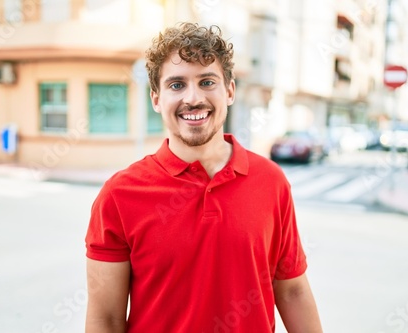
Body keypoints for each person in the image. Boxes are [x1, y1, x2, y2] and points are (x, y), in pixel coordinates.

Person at [85, 22, 323, 333]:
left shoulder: (271, 182)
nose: (193, 98)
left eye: (207, 81)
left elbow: (292, 291)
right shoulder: (119, 195)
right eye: (176, 85)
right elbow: (106, 318)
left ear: (230, 91)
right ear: (156, 99)